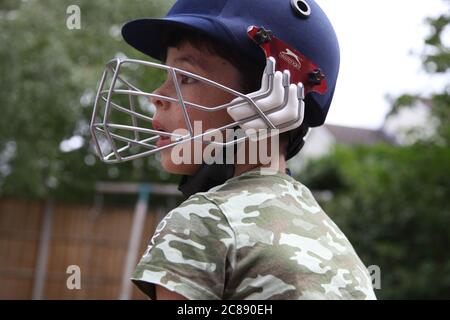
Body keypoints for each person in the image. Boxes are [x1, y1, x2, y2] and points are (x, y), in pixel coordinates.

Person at [90, 0, 377, 300]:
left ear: (269, 96)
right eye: (166, 76)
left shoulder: (203, 221)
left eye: (185, 77)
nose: (157, 96)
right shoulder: (333, 240)